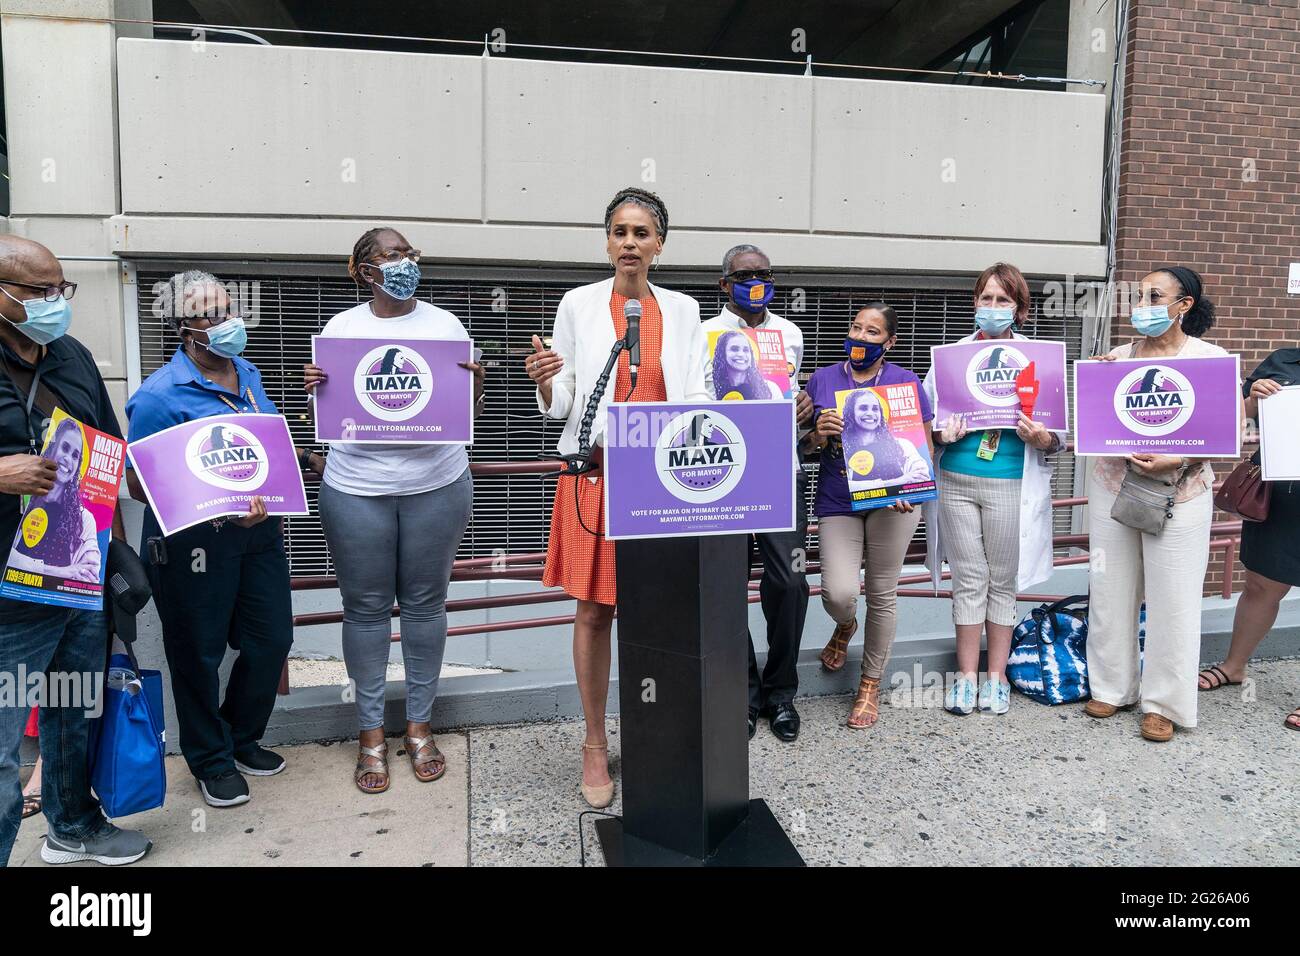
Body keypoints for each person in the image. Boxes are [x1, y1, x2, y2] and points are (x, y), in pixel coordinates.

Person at [526, 187, 709, 805]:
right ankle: (595, 744)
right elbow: (563, 400)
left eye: (642, 233)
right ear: (607, 240)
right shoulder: (577, 304)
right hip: (597, 477)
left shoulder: (685, 310)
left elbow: (699, 393)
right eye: (619, 232)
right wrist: (546, 385)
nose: (630, 243)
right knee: (594, 611)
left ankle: (657, 734)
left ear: (660, 243)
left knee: (662, 615)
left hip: (667, 479)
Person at [304, 228, 483, 795]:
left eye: (410, 253)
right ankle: (370, 734)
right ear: (362, 269)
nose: (405, 262)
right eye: (391, 254)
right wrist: (314, 388)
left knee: (427, 604)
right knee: (364, 610)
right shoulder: (341, 329)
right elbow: (328, 408)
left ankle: (420, 726)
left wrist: (476, 390)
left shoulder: (445, 324)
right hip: (356, 484)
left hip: (438, 480)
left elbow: (461, 406)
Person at [125, 270, 308, 808]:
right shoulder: (158, 396)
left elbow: (262, 445)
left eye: (230, 310)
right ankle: (209, 759)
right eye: (212, 315)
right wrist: (216, 503)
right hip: (194, 545)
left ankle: (239, 737)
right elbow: (138, 480)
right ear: (185, 327)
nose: (228, 323)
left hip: (260, 536)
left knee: (272, 640)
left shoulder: (247, 373)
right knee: (198, 654)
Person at [0, 235, 150, 866]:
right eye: (39, 291)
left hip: (78, 570)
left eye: (61, 288)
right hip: (8, 597)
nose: (55, 301)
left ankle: (73, 825)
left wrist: (210, 490)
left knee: (72, 705)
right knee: (4, 750)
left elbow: (113, 450)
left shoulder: (72, 356)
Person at [1084, 266, 1240, 741]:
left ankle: (1165, 704)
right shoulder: (1117, 359)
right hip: (1114, 484)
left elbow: (1228, 432)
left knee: (1174, 598)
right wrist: (1098, 379)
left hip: (1183, 490)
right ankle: (1112, 687)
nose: (1143, 305)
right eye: (1140, 295)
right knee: (1109, 588)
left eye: (1156, 296)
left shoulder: (1210, 360)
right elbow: (1096, 419)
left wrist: (1178, 455)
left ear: (1183, 306)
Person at [923, 263, 1064, 717]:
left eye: (1004, 300)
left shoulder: (1038, 359)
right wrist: (940, 435)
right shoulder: (949, 359)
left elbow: (1061, 433)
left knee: (1002, 582)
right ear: (974, 303)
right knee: (968, 579)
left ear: (1020, 309)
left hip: (1011, 482)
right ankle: (966, 677)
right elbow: (923, 425)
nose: (993, 307)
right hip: (957, 480)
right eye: (986, 298)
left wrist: (1042, 438)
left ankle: (996, 677)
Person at [702, 245, 813, 741]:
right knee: (726, 587)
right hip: (723, 474)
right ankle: (742, 695)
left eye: (764, 274)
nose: (755, 281)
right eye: (744, 275)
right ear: (725, 284)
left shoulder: (790, 334)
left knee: (789, 583)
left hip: (779, 469)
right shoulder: (702, 334)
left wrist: (802, 406)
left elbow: (790, 394)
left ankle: (781, 693)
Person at [807, 304, 934, 729]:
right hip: (837, 499)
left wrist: (911, 490)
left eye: (873, 332)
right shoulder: (822, 379)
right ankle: (845, 625)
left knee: (882, 593)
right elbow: (802, 447)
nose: (861, 337)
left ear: (889, 342)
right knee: (839, 592)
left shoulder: (906, 383)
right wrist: (815, 435)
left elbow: (923, 449)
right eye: (856, 328)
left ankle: (869, 685)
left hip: (892, 504)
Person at [1198, 346, 1299, 731]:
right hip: (1282, 494)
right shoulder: (1284, 362)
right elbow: (1233, 421)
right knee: (1260, 585)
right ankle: (1234, 666)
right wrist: (1252, 400)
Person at [6, 417, 100, 582]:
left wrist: (90, 565)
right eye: (64, 448)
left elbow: (91, 568)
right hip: (15, 598)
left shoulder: (85, 519)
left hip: (63, 605)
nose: (68, 459)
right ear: (52, 448)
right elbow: (9, 557)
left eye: (75, 455)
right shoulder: (24, 497)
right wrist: (64, 572)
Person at [839, 388, 931, 489]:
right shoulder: (843, 449)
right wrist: (899, 481)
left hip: (902, 503)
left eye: (875, 409)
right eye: (863, 408)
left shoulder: (902, 445)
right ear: (851, 413)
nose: (870, 413)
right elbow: (846, 486)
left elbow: (922, 474)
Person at [710, 329, 781, 401]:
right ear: (723, 353)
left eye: (746, 350)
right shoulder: (713, 390)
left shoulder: (771, 388)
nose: (741, 354)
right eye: (734, 349)